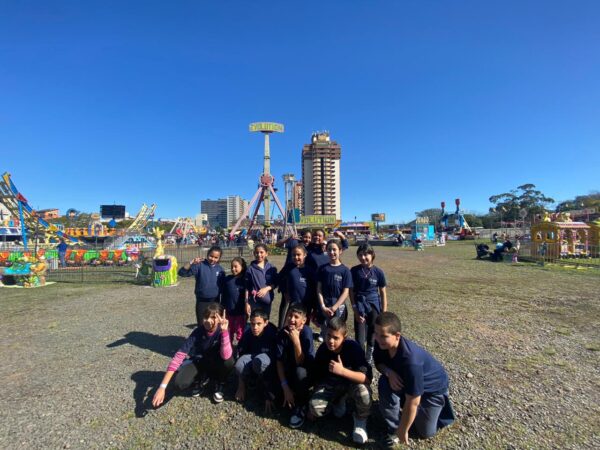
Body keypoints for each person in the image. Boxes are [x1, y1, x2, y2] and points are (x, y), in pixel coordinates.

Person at [374, 312, 455, 448]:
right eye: (376, 333)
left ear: (397, 336)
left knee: (425, 432)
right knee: (384, 382)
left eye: (383, 336)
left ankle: (437, 408)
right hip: (407, 382)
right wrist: (389, 372)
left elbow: (413, 401)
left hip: (431, 392)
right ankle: (394, 427)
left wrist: (404, 430)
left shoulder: (411, 361)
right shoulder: (381, 343)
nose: (377, 338)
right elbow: (379, 363)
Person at [152, 303, 234, 407]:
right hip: (201, 362)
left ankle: (220, 382)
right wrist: (162, 387)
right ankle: (201, 378)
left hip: (217, 363)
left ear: (221, 318)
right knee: (180, 383)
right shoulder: (197, 332)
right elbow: (179, 356)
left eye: (213, 317)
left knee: (229, 361)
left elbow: (226, 356)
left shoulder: (223, 330)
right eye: (206, 317)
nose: (208, 320)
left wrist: (225, 332)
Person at [307, 317, 372, 444]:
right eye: (328, 336)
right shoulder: (323, 349)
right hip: (332, 386)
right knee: (314, 407)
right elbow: (317, 378)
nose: (331, 341)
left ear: (344, 337)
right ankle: (339, 401)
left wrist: (342, 371)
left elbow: (367, 379)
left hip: (351, 385)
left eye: (336, 338)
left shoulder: (354, 348)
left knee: (364, 393)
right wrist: (312, 404)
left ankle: (360, 420)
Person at [275, 303, 315, 429]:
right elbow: (279, 361)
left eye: (296, 317)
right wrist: (285, 387)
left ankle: (301, 405)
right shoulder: (282, 333)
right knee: (275, 397)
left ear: (304, 320)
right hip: (288, 371)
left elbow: (301, 362)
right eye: (289, 315)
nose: (292, 319)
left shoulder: (307, 332)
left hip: (304, 373)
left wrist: (296, 341)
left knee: (300, 372)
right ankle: (289, 393)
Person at [234, 308, 278, 413]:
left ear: (266, 323)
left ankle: (262, 385)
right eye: (253, 324)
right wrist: (240, 386)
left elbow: (276, 364)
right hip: (253, 357)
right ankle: (250, 379)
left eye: (259, 324)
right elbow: (241, 354)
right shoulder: (248, 333)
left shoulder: (273, 335)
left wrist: (269, 394)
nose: (255, 327)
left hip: (267, 363)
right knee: (239, 365)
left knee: (260, 361)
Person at [350, 244, 387, 362]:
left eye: (366, 254)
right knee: (360, 338)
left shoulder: (378, 272)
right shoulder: (354, 271)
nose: (363, 257)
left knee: (372, 334)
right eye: (360, 255)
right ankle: (360, 358)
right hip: (360, 307)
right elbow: (351, 292)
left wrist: (384, 312)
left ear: (372, 255)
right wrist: (355, 309)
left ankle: (369, 357)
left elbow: (383, 293)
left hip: (374, 306)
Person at [178, 246, 225, 326]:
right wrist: (191, 262)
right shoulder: (199, 265)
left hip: (215, 301)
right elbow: (182, 273)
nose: (213, 259)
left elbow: (223, 287)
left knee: (215, 324)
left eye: (216, 257)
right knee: (202, 324)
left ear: (219, 258)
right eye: (211, 256)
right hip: (202, 301)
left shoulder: (220, 269)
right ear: (207, 254)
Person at [316, 240, 353, 342]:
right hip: (325, 306)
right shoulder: (322, 269)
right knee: (326, 333)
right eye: (329, 250)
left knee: (337, 333)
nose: (332, 252)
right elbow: (319, 289)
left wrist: (335, 307)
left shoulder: (345, 270)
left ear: (340, 251)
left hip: (338, 306)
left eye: (334, 249)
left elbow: (346, 292)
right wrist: (323, 306)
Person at [280, 244, 316, 328]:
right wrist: (285, 292)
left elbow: (314, 288)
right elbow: (280, 279)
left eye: (298, 255)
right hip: (293, 303)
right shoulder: (289, 267)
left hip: (306, 304)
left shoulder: (310, 270)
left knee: (303, 326)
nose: (296, 257)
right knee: (289, 325)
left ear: (305, 255)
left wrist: (314, 306)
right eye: (294, 255)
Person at [245, 243, 278, 319]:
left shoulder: (271, 268)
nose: (259, 255)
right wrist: (246, 302)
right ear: (254, 254)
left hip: (267, 303)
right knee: (256, 321)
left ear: (266, 253)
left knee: (265, 322)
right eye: (257, 252)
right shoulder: (250, 269)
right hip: (255, 303)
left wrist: (266, 288)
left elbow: (276, 283)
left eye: (261, 252)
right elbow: (247, 287)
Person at [221, 257, 247, 344]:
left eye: (236, 266)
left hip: (241, 313)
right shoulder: (227, 279)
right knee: (229, 332)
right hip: (229, 313)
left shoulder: (245, 280)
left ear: (242, 267)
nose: (233, 269)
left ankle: (240, 348)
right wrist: (223, 309)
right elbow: (223, 296)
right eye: (232, 267)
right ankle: (229, 348)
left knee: (241, 333)